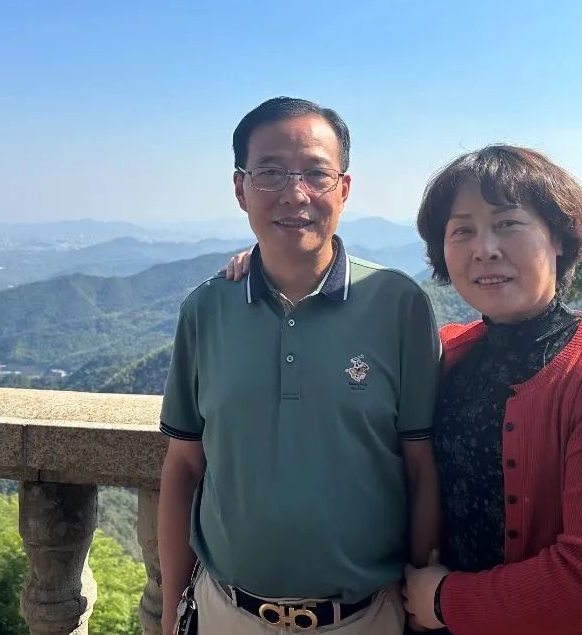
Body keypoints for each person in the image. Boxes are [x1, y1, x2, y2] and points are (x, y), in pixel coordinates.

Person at [226, 144, 582, 635]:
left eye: (508, 223)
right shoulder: (447, 352)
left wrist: (444, 601)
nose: (485, 248)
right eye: (462, 230)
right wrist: (273, 266)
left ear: (559, 238)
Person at [158, 97, 441, 635]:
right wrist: (172, 613)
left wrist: (419, 615)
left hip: (366, 618)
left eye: (316, 173)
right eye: (270, 173)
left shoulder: (397, 305)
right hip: (225, 613)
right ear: (240, 188)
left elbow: (420, 467)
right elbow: (184, 468)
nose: (295, 194)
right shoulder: (206, 309)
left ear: (344, 188)